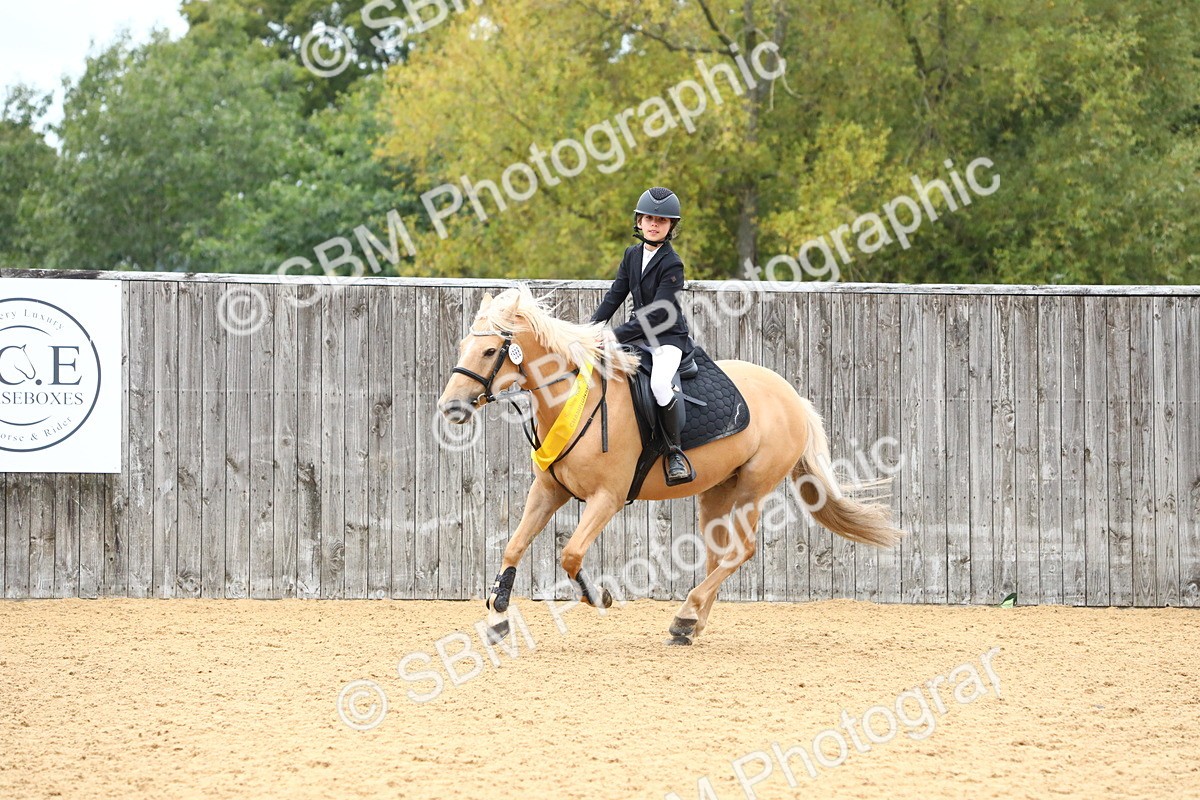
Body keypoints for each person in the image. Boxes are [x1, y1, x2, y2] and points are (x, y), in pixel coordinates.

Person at [590, 187, 695, 485]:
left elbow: (660, 314)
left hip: (667, 338)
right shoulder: (631, 255)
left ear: (671, 226)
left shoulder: (672, 263)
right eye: (649, 218)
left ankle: (674, 451)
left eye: (661, 221)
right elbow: (615, 296)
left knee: (660, 384)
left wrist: (616, 333)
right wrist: (591, 329)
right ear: (638, 221)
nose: (654, 224)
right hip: (637, 336)